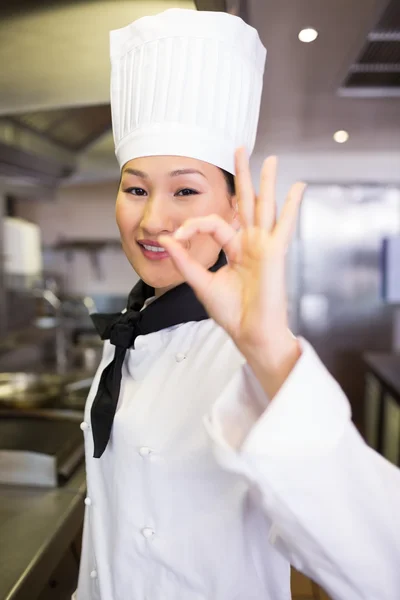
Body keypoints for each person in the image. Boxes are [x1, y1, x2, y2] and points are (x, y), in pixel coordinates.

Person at [73, 8, 400, 600]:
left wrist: (270, 353)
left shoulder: (246, 360)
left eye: (185, 190)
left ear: (231, 206)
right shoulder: (136, 325)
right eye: (136, 188)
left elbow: (384, 563)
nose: (152, 220)